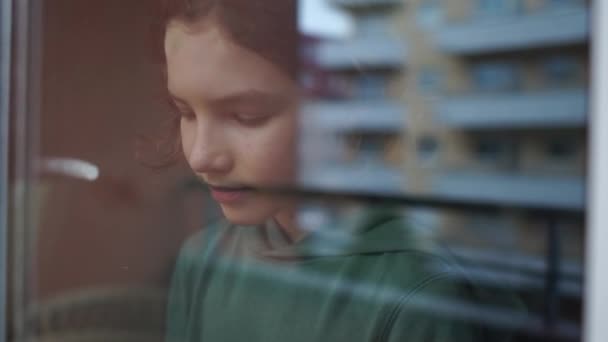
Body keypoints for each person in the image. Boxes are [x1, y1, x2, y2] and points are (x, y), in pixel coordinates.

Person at [159, 1, 522, 341]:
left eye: (247, 116)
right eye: (186, 113)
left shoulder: (419, 289)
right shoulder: (203, 259)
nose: (201, 157)